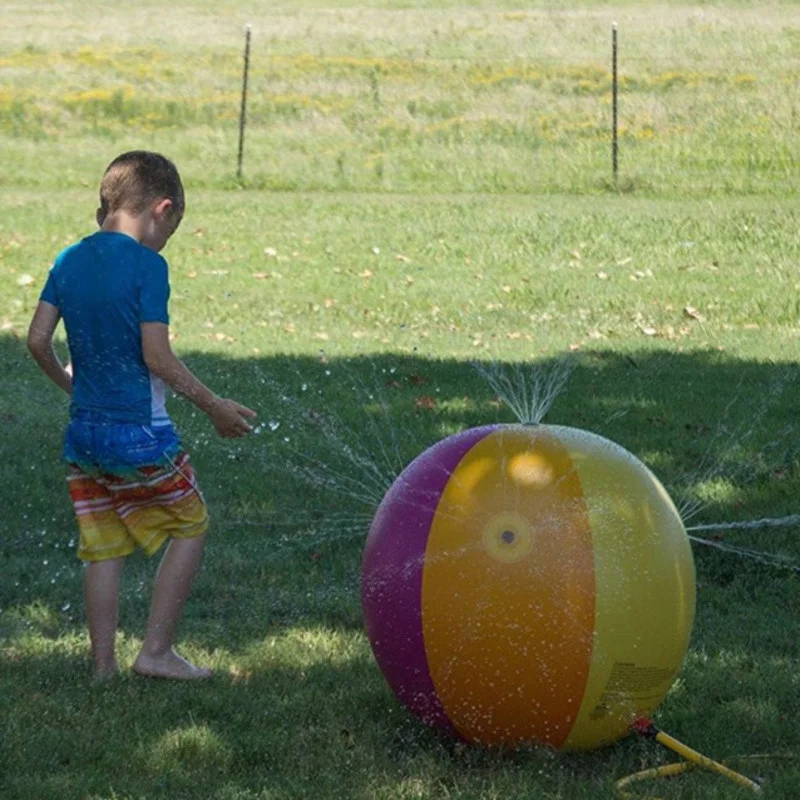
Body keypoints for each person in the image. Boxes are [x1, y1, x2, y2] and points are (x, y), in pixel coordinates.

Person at [26, 150, 256, 680]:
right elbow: (157, 356)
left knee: (103, 545)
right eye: (169, 230)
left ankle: (103, 665)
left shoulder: (68, 260)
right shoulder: (149, 267)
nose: (164, 243)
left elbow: (38, 341)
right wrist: (214, 406)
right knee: (191, 524)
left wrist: (71, 385)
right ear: (161, 209)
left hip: (83, 436)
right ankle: (155, 652)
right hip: (140, 436)